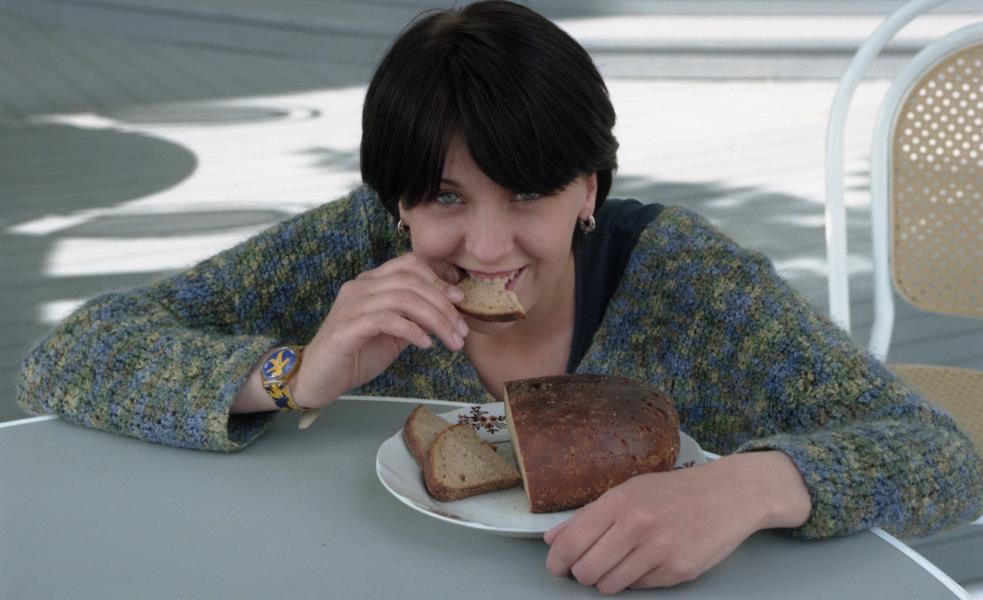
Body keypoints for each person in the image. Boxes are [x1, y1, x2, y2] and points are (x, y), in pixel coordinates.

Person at [16, 0, 982, 594]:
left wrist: (744, 487)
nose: (484, 247)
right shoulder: (356, 248)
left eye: (527, 194)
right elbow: (67, 357)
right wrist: (294, 373)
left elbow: (938, 454)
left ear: (588, 190)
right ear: (396, 200)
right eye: (443, 198)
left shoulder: (686, 279)